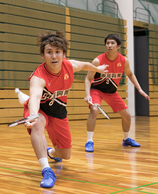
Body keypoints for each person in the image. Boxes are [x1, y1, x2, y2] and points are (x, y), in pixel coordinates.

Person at [23, 31, 108, 188]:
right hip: (41, 110)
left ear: (63, 54)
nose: (54, 56)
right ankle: (46, 170)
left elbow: (84, 65)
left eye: (58, 52)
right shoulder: (38, 76)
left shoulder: (69, 66)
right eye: (49, 52)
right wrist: (33, 115)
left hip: (59, 112)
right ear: (43, 55)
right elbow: (34, 97)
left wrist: (99, 69)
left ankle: (50, 153)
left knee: (65, 155)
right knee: (37, 124)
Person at [84, 34, 150, 152]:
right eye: (107, 43)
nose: (109, 45)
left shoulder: (123, 60)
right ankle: (89, 141)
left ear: (118, 46)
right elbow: (88, 79)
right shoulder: (97, 60)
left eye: (112, 43)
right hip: (97, 90)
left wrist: (139, 89)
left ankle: (126, 139)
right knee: (94, 110)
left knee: (127, 116)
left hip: (111, 92)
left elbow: (130, 74)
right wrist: (88, 94)